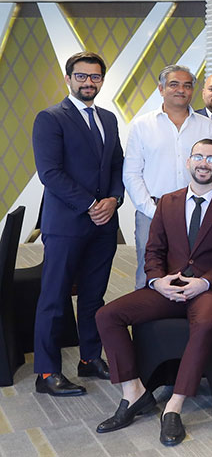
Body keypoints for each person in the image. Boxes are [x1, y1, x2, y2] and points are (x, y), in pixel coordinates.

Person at [96, 139, 212, 446]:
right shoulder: (167, 202)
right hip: (169, 287)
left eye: (211, 159)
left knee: (204, 324)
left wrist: (204, 282)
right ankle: (133, 392)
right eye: (198, 157)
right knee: (107, 315)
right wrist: (157, 281)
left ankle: (174, 407)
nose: (204, 163)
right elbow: (153, 251)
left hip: (211, 290)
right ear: (188, 162)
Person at [31, 51, 123, 396]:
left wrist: (114, 199)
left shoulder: (108, 119)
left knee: (93, 296)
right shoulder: (50, 118)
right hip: (66, 224)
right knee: (54, 298)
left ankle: (89, 358)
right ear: (68, 79)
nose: (88, 82)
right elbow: (50, 173)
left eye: (95, 76)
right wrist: (90, 205)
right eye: (81, 76)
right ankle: (46, 372)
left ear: (102, 80)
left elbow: (117, 165)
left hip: (103, 225)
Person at [124, 65, 212, 288]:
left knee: (192, 271)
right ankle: (144, 312)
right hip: (151, 211)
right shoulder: (142, 125)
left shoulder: (208, 127)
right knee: (149, 272)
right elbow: (131, 173)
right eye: (174, 84)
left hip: (196, 212)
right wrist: (152, 210)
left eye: (187, 85)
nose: (181, 90)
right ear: (161, 89)